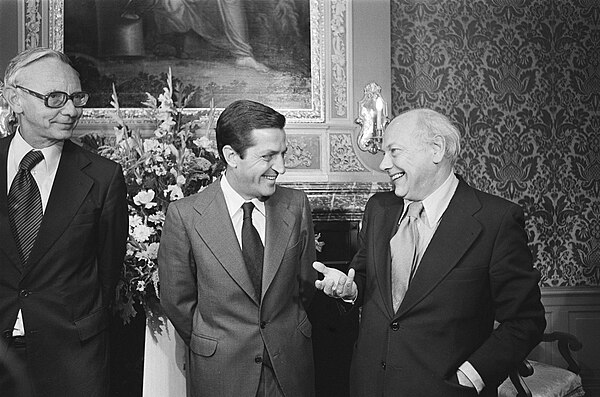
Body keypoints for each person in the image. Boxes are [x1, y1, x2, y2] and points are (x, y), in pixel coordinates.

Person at [313, 108, 546, 396]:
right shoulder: (379, 209)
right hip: (369, 386)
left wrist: (470, 376)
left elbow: (526, 320)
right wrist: (349, 290)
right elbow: (362, 276)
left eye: (394, 151)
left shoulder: (496, 220)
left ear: (436, 149)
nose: (384, 163)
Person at [158, 99, 317, 396]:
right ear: (231, 156)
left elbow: (304, 287)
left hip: (289, 370)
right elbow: (177, 301)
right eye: (268, 156)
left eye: (283, 154)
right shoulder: (185, 215)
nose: (280, 168)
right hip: (221, 374)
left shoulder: (296, 206)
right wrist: (218, 343)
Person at [0, 47, 128, 396]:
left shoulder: (103, 178)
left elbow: (107, 272)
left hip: (73, 360)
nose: (71, 110)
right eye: (55, 98)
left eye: (76, 97)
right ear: (16, 99)